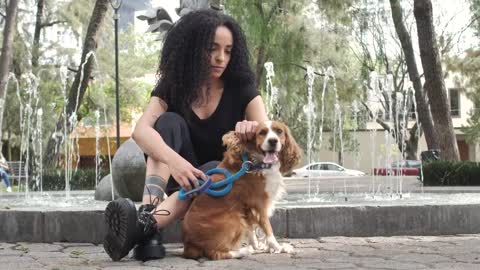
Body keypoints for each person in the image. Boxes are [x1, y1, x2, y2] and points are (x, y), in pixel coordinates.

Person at [103, 9, 268, 262]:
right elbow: (141, 131)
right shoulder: (174, 85)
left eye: (227, 50)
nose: (220, 58)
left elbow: (269, 145)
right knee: (166, 123)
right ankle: (149, 215)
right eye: (212, 48)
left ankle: (146, 230)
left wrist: (252, 132)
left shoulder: (242, 88)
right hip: (175, 178)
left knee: (213, 170)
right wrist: (175, 162)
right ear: (192, 47)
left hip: (218, 188)